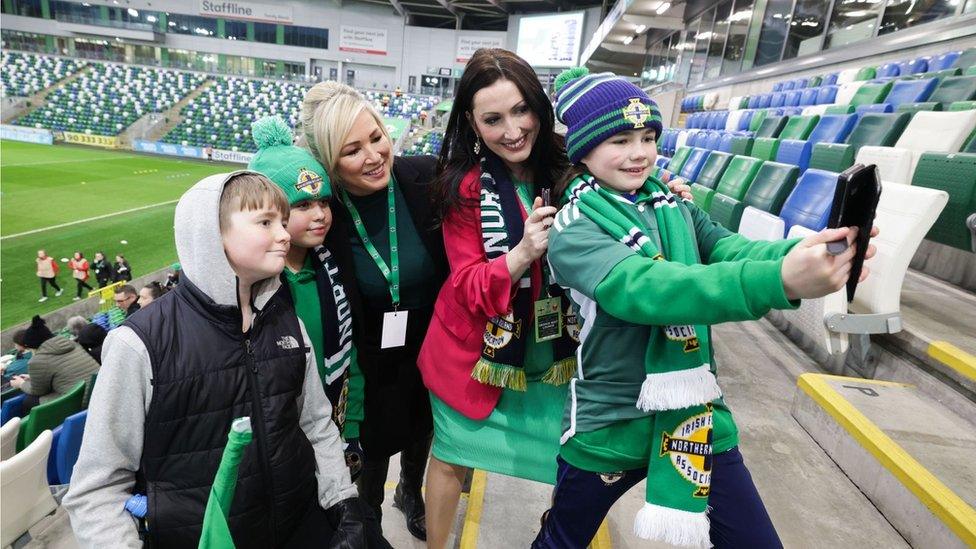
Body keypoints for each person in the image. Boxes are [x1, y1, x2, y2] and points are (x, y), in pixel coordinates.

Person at [533, 68, 878, 549]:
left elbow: (730, 248)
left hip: (694, 412)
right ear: (584, 149)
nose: (639, 153)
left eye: (649, 136)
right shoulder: (573, 227)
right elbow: (649, 289)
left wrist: (809, 252)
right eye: (620, 139)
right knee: (562, 542)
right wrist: (780, 280)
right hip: (612, 418)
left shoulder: (672, 204)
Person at [419, 49, 695, 548]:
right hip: (473, 356)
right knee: (450, 455)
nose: (512, 130)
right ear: (471, 121)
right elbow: (465, 284)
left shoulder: (577, 166)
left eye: (522, 110)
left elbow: (632, 198)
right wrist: (521, 254)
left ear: (541, 108)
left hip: (557, 357)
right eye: (493, 119)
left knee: (565, 465)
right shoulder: (461, 186)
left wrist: (664, 197)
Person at [63, 171, 387, 547]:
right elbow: (98, 488)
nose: (284, 234)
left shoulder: (289, 323)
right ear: (211, 233)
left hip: (301, 526)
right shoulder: (138, 344)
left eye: (282, 222)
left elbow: (316, 424)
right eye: (265, 222)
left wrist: (340, 501)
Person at [302, 81, 449, 540]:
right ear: (329, 161)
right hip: (369, 355)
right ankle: (368, 518)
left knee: (423, 424)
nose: (373, 155)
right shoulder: (326, 216)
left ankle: (410, 490)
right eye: (352, 150)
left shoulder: (424, 176)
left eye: (377, 137)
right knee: (374, 442)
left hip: (431, 342)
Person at [247, 115, 367, 481]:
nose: (320, 216)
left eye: (324, 203)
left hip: (333, 428)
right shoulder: (253, 286)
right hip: (274, 441)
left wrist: (353, 429)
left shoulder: (332, 269)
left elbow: (351, 355)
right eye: (302, 206)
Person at [9, 316, 100, 414]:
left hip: (81, 402)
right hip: (98, 391)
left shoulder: (38, 360)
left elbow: (38, 391)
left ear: (33, 347)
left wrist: (21, 384)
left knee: (29, 401)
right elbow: (64, 373)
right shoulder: (73, 344)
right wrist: (32, 378)